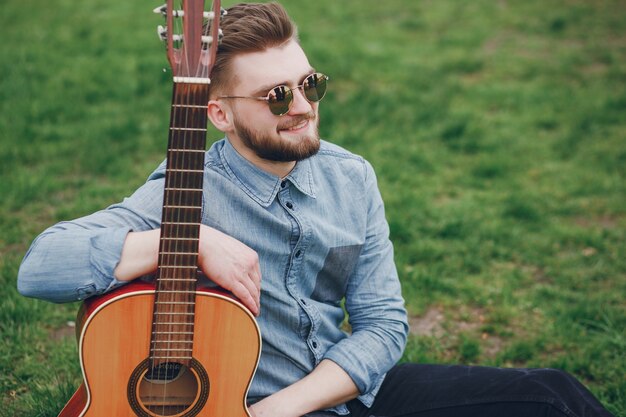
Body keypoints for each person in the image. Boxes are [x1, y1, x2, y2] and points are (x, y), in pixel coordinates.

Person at [17, 3, 615, 417]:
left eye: (311, 84)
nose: (301, 106)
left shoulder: (351, 178)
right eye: (277, 95)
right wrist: (189, 238)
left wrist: (290, 405)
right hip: (228, 405)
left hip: (332, 396)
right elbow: (39, 267)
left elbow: (383, 323)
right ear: (220, 114)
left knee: (552, 395)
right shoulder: (183, 191)